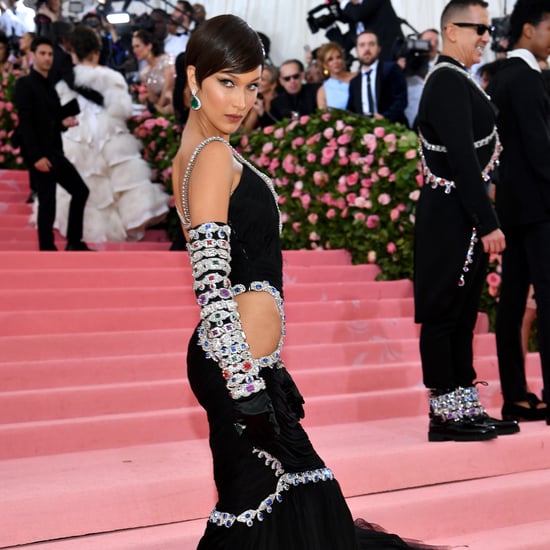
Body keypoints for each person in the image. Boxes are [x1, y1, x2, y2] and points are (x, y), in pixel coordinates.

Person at [171, 13, 443, 550]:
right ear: (192, 80)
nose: (240, 101)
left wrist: (263, 370)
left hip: (245, 362)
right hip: (235, 367)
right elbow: (210, 283)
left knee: (289, 505)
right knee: (270, 508)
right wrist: (247, 386)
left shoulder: (201, 151)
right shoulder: (212, 156)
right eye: (226, 83)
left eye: (252, 87)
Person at [413, 0, 520, 442]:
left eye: (487, 27)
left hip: (461, 216)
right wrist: (489, 219)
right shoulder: (446, 82)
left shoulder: (459, 80)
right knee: (444, 311)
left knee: (463, 312)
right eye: (477, 27)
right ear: (451, 31)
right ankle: (445, 414)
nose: (485, 36)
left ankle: (464, 404)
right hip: (449, 216)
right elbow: (461, 158)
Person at [486, 0, 550, 424]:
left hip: (512, 207)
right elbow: (540, 148)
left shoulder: (501, 76)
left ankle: (515, 395)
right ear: (528, 29)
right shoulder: (526, 78)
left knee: (512, 305)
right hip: (541, 207)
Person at [51, 24, 169, 243]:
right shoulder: (112, 76)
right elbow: (122, 110)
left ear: (74, 51)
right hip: (110, 133)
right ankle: (122, 227)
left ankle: (79, 230)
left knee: (78, 183)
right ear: (97, 50)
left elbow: (59, 111)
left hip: (77, 133)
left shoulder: (67, 80)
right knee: (117, 180)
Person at [13, 35, 90, 251]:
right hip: (41, 154)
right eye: (42, 54)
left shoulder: (49, 86)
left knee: (80, 191)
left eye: (50, 54)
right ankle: (47, 248)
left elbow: (51, 120)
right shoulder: (25, 85)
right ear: (32, 55)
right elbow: (25, 123)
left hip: (56, 152)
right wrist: (36, 156)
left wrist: (64, 122)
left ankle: (74, 242)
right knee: (48, 203)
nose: (47, 58)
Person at [346, 30, 408, 126]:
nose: (367, 49)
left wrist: (384, 118)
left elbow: (401, 100)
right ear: (357, 50)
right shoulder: (354, 82)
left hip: (392, 129)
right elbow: (352, 110)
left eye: (371, 44)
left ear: (379, 48)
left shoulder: (391, 69)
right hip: (364, 132)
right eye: (362, 45)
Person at [328, 0, 404, 62]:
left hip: (391, 56)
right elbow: (344, 45)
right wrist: (329, 27)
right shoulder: (353, 13)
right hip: (371, 64)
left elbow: (358, 14)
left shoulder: (360, 10)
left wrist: (344, 2)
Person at [132, 28, 175, 114]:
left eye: (137, 46)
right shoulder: (144, 72)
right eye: (133, 47)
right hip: (160, 110)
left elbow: (168, 87)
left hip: (174, 105)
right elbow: (153, 98)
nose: (134, 51)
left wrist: (159, 109)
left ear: (149, 46)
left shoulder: (166, 60)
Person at [316, 41, 356, 110]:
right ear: (324, 64)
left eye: (338, 57)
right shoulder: (323, 91)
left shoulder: (356, 77)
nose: (336, 62)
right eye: (330, 59)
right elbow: (323, 116)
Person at [242, 64, 279, 131]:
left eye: (263, 79)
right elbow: (246, 130)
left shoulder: (281, 102)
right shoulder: (258, 102)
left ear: (273, 84)